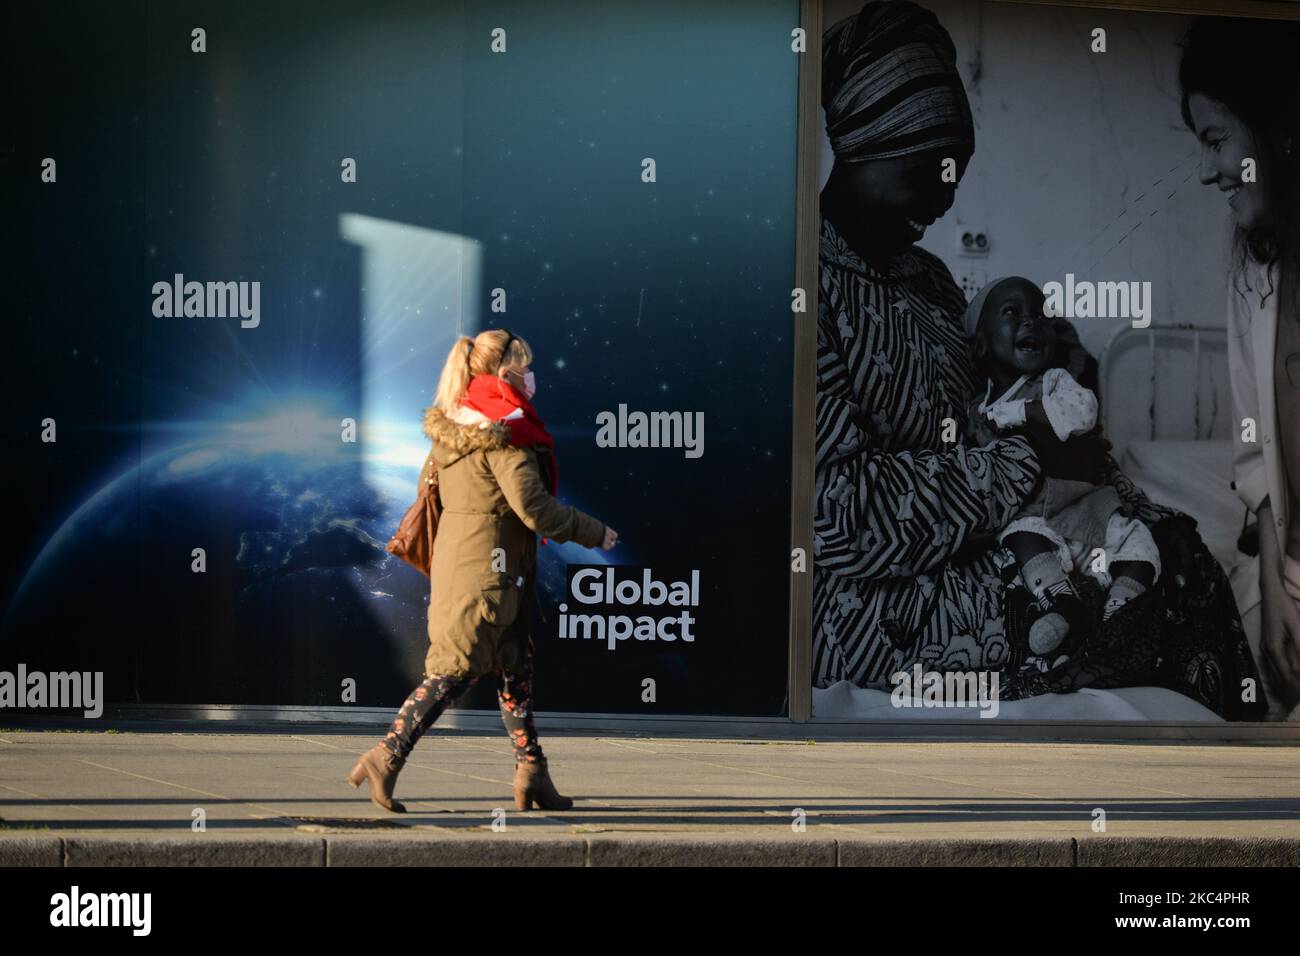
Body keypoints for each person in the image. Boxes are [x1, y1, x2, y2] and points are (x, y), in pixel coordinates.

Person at [815, 0, 1261, 718]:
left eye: (958, 166)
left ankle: (1220, 785)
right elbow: (837, 516)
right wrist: (1028, 461)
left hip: (981, 538)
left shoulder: (928, 282)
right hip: (881, 593)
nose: (949, 190)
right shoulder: (806, 290)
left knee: (1178, 554)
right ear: (869, 144)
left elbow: (992, 411)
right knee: (1109, 606)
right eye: (931, 165)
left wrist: (1101, 475)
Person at [349, 328, 619, 811]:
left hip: (478, 566)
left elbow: (427, 494)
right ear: (503, 372)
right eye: (525, 366)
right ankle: (385, 757)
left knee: (515, 669)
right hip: (488, 574)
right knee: (455, 670)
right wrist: (593, 532)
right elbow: (534, 508)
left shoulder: (455, 426)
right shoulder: (504, 433)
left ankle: (532, 773)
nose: (531, 376)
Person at [1181, 16, 1300, 718]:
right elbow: (1256, 454)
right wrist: (1279, 591)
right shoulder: (1251, 268)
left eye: (1216, 139)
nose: (1207, 170)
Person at [965, 277, 1160, 669]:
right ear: (982, 342)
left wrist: (1020, 412)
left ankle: (1118, 611)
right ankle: (1061, 604)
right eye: (1013, 313)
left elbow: (1083, 413)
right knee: (1020, 539)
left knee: (1141, 545)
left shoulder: (1055, 383)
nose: (1032, 322)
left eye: (1041, 315)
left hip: (1088, 509)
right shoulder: (976, 409)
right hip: (1036, 519)